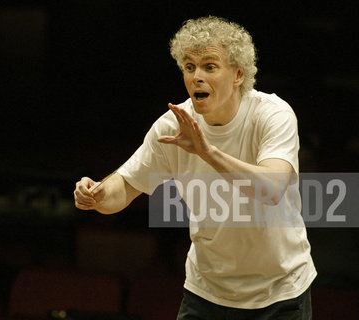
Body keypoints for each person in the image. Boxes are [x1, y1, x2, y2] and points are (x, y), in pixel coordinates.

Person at [74, 16, 316, 319]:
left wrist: (207, 151)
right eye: (189, 67)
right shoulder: (173, 124)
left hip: (280, 293)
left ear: (238, 74)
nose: (196, 77)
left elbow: (272, 189)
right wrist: (96, 195)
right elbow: (124, 188)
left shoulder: (272, 114)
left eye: (209, 67)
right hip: (207, 292)